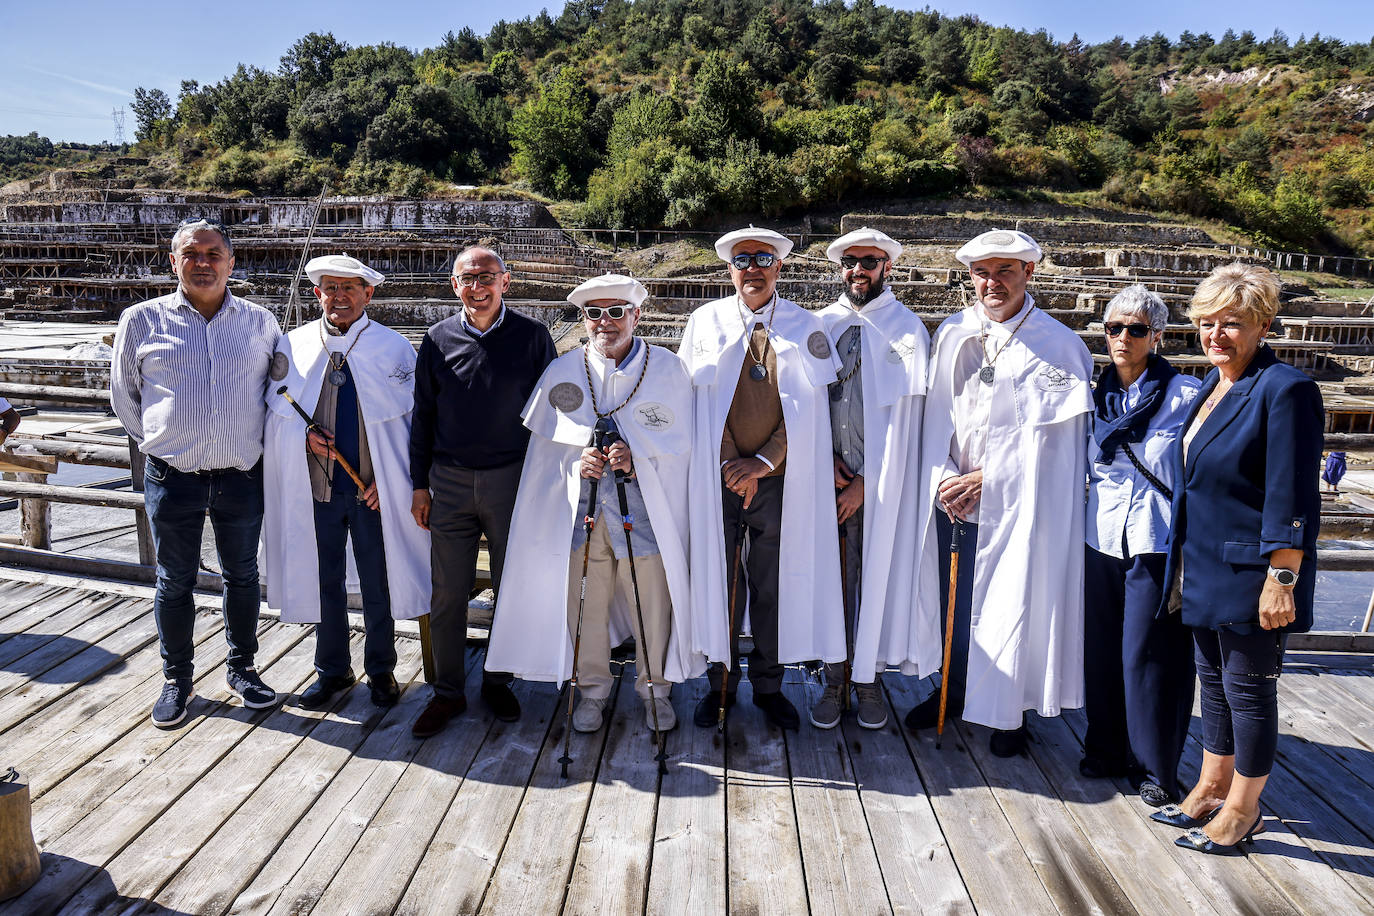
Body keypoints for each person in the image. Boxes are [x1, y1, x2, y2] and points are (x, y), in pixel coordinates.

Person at [905, 228, 1093, 757]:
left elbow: (1059, 449)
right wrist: (945, 477)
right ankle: (954, 687)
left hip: (1020, 506)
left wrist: (990, 479)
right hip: (951, 498)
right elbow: (935, 418)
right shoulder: (951, 334)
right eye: (983, 272)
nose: (993, 282)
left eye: (1005, 271)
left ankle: (1009, 712)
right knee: (953, 603)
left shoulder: (1058, 346)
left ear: (1029, 273)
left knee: (1013, 601)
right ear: (971, 277)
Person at [487, 274, 701, 732]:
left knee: (652, 602)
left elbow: (683, 450)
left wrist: (637, 458)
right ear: (584, 321)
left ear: (637, 315)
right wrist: (573, 463)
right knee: (585, 603)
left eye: (616, 312)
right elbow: (545, 461)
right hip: (583, 518)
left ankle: (656, 690)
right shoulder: (562, 371)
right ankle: (592, 691)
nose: (606, 322)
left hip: (644, 516)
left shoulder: (667, 370)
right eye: (594, 314)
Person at [1158, 263, 1323, 855]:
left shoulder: (1286, 389)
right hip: (1203, 568)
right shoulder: (1216, 384)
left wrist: (1282, 578)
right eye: (1206, 323)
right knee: (1214, 685)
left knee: (1249, 691)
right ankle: (1209, 788)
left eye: (1232, 324)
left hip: (1254, 574)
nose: (1216, 335)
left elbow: (1292, 493)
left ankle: (1243, 810)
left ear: (1263, 325)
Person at [111, 217, 281, 728]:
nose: (202, 263)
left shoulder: (260, 322)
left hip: (240, 475)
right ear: (173, 262)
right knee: (174, 579)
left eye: (213, 254)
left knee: (243, 575)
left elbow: (275, 394)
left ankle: (242, 669)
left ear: (232, 262)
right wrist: (166, 442)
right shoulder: (140, 319)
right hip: (173, 475)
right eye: (191, 254)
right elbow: (125, 397)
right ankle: (177, 678)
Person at [680, 226, 846, 731]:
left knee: (773, 585)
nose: (753, 267)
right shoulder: (703, 321)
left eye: (764, 258)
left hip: (781, 483)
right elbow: (697, 402)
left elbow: (810, 411)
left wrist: (764, 463)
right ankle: (721, 684)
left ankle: (771, 686)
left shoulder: (805, 325)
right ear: (730, 269)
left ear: (779, 266)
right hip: (720, 479)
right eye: (742, 259)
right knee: (721, 582)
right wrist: (734, 462)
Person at [262, 254, 430, 710]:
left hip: (372, 491)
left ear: (368, 294)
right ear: (316, 293)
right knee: (325, 581)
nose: (339, 297)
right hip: (317, 488)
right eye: (329, 288)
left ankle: (382, 670)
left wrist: (393, 482)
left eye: (349, 288)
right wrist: (304, 437)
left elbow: (412, 425)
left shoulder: (394, 348)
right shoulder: (293, 345)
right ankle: (332, 672)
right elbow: (275, 416)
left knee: (378, 581)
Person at [408, 246, 556, 738]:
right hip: (447, 482)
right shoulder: (436, 338)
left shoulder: (534, 337)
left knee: (510, 586)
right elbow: (423, 417)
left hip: (513, 480)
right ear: (455, 286)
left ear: (506, 282)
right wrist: (419, 485)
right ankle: (448, 693)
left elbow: (551, 416)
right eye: (468, 279)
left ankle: (497, 679)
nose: (478, 287)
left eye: (487, 277)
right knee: (447, 591)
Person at [1080, 285, 1201, 807]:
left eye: (1135, 329)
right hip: (1100, 534)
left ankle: (1155, 766)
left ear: (1157, 336)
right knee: (1102, 649)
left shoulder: (1186, 395)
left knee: (1151, 655)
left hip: (1155, 536)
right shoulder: (1091, 394)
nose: (1122, 339)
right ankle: (1105, 746)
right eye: (1113, 329)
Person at [811, 228, 935, 730]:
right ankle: (835, 676)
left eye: (870, 261)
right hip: (820, 480)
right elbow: (802, 405)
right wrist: (821, 466)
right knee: (830, 580)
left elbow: (909, 422)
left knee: (873, 579)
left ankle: (868, 679)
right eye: (851, 261)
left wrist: (868, 480)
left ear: (887, 267)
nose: (858, 270)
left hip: (881, 486)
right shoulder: (821, 326)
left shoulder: (908, 331)